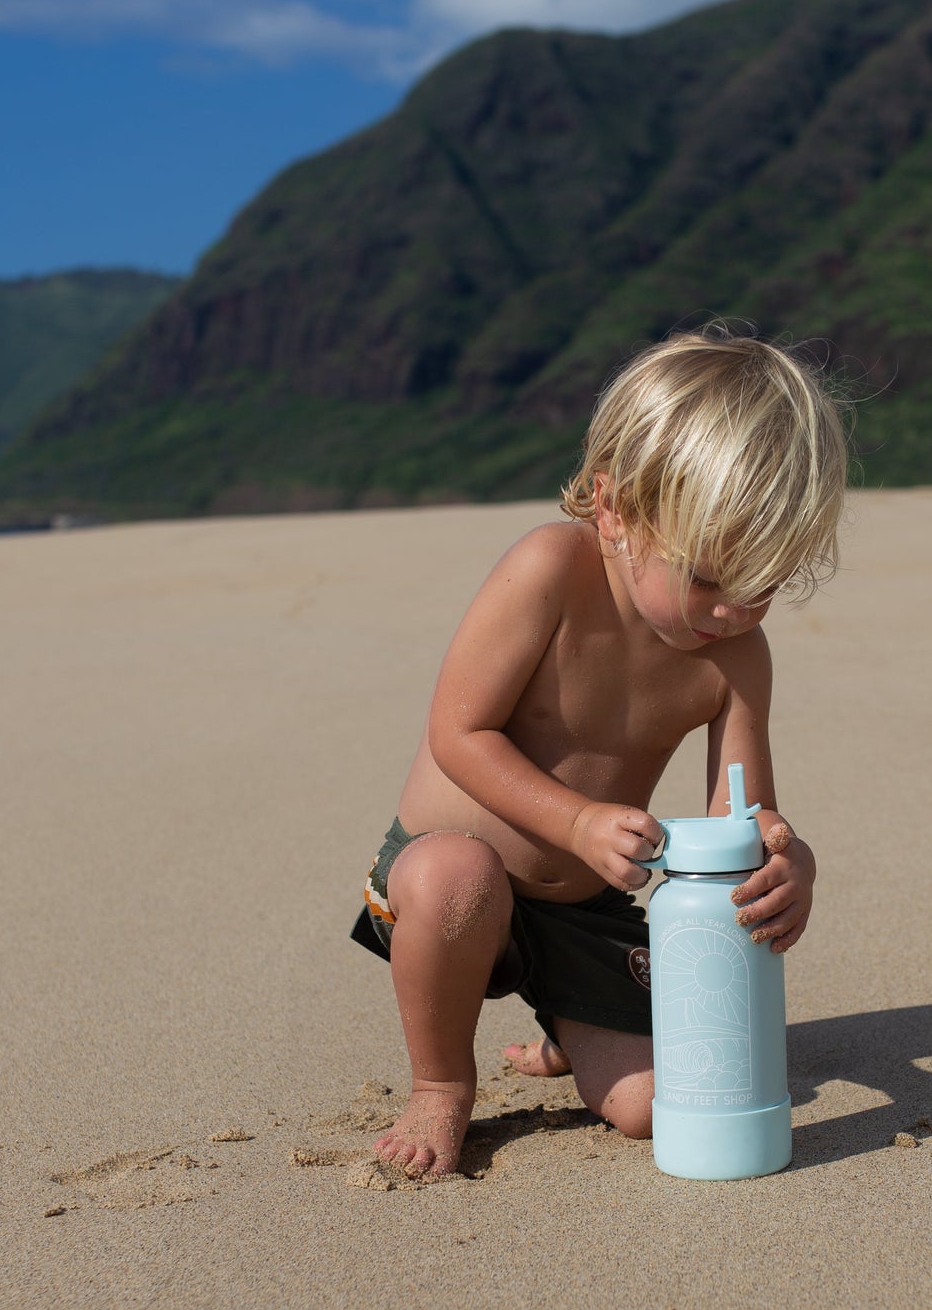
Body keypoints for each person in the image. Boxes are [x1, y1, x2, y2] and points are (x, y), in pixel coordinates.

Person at [349, 328, 851, 1178]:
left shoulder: (733, 659)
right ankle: (441, 1081)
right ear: (617, 511)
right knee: (456, 881)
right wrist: (577, 820)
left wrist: (786, 857)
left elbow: (743, 812)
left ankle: (569, 1025)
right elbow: (457, 735)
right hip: (442, 880)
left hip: (584, 904)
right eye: (706, 576)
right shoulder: (551, 570)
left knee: (651, 1109)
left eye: (761, 585)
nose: (730, 612)